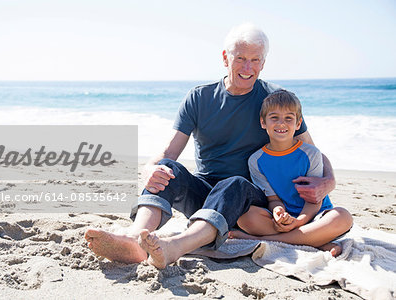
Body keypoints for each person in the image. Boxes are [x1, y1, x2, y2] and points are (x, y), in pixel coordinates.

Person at [85, 23, 336, 269]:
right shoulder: (199, 98)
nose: (248, 67)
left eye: (255, 60)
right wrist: (149, 169)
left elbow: (311, 151)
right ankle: (134, 239)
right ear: (226, 58)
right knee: (167, 168)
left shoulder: (274, 102)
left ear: (263, 63)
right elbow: (169, 153)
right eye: (240, 58)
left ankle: (176, 246)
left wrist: (329, 182)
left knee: (234, 182)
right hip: (206, 196)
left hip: (250, 201)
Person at [229, 90, 353, 257]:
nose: (282, 123)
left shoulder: (311, 154)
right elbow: (273, 199)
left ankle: (264, 239)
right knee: (244, 217)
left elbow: (314, 198)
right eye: (274, 117)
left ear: (298, 123)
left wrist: (300, 221)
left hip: (316, 216)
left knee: (343, 217)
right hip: (282, 222)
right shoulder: (256, 160)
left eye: (289, 118)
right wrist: (278, 213)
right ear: (263, 122)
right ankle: (317, 241)